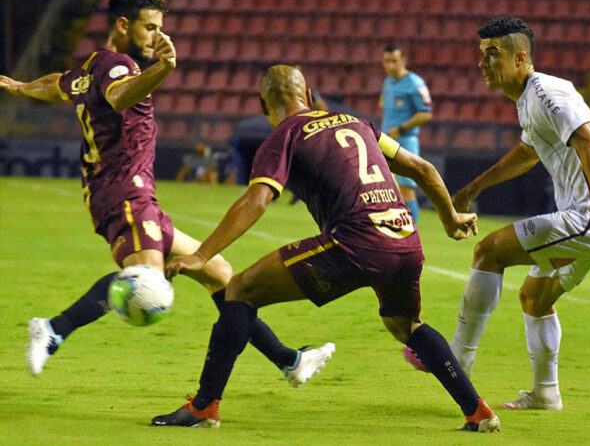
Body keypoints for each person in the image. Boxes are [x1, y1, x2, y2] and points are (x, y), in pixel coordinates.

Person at [151, 65, 501, 432]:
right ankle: (477, 412)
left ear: (263, 105)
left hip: (357, 242)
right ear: (307, 95)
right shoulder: (357, 123)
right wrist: (450, 218)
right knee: (405, 324)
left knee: (239, 290)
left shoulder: (284, 134)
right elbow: (423, 169)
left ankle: (203, 408)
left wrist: (201, 255)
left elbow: (257, 200)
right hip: (406, 240)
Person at [0, 0, 318, 383]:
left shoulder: (92, 66)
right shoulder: (119, 68)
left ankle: (289, 360)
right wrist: (163, 69)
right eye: (149, 28)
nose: (157, 36)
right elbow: (118, 98)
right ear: (122, 24)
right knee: (145, 280)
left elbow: (56, 84)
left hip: (122, 193)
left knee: (220, 273)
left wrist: (19, 87)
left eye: (159, 28)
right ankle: (53, 329)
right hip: (126, 193)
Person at [405, 17, 590, 410]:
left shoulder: (546, 93)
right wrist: (475, 187)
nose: (483, 63)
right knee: (535, 298)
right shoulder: (528, 99)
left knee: (489, 252)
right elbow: (527, 154)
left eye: (493, 54)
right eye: (481, 55)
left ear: (520, 57)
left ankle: (458, 355)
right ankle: (546, 393)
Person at [380, 43, 433, 222]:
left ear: (403, 60)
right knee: (389, 190)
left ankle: (413, 233)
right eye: (387, 61)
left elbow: (426, 114)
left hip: (405, 142)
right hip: (386, 143)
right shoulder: (387, 83)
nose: (390, 65)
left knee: (406, 190)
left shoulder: (415, 83)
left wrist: (401, 128)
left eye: (394, 61)